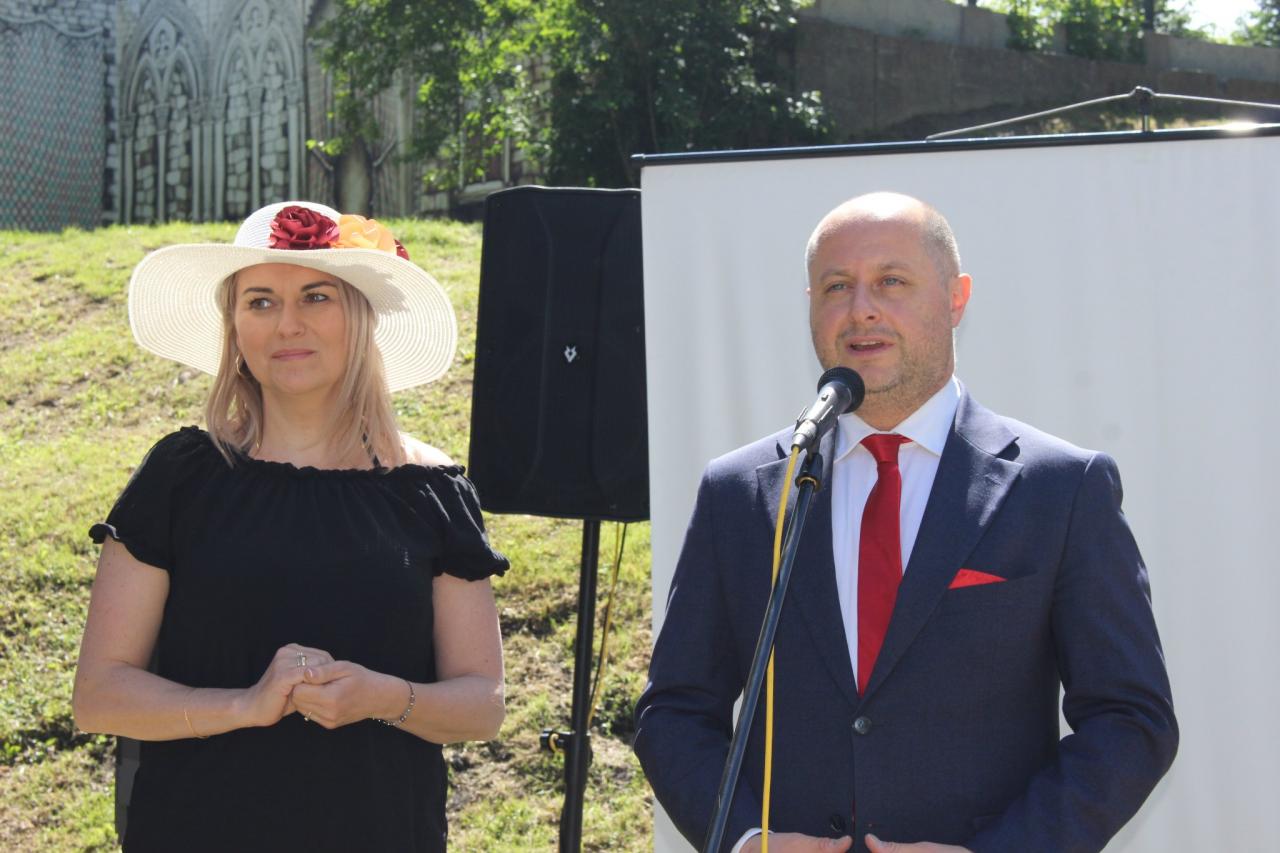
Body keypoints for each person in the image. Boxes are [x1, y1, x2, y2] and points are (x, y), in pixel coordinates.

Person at [633, 192, 1177, 853]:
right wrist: (748, 841)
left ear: (956, 298)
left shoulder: (1060, 488)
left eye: (891, 281)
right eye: (837, 286)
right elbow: (675, 712)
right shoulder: (740, 492)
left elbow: (1130, 719)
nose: (861, 308)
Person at [72, 200, 508, 852]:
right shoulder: (179, 477)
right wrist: (243, 706)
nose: (288, 324)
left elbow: (482, 704)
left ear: (359, 316)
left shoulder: (432, 490)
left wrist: (383, 697)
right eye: (260, 302)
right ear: (235, 329)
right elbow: (99, 695)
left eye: (315, 296)